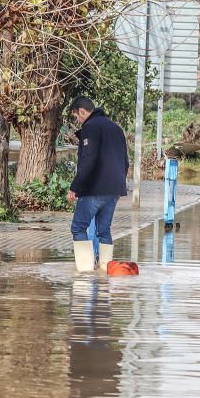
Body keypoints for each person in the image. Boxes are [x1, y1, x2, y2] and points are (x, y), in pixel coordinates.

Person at [67, 96, 128, 272]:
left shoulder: (91, 127)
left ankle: (85, 274)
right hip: (114, 190)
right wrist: (117, 183)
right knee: (104, 231)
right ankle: (104, 270)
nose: (77, 120)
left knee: (78, 227)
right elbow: (125, 162)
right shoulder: (116, 128)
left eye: (76, 116)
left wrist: (75, 186)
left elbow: (88, 160)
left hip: (94, 189)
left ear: (83, 111)